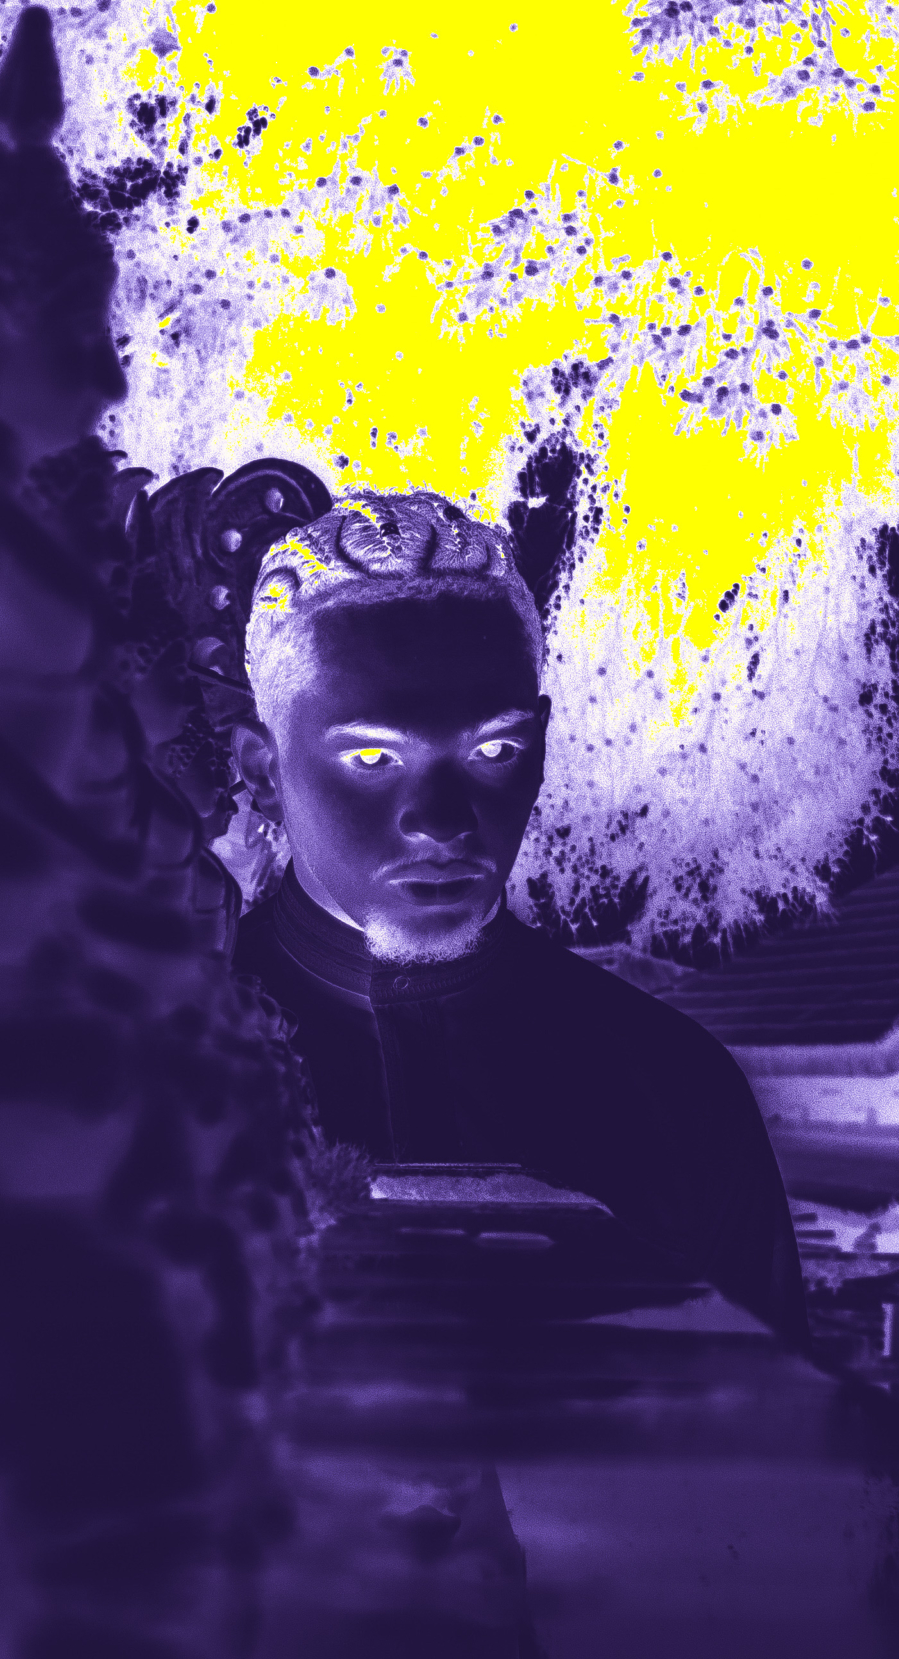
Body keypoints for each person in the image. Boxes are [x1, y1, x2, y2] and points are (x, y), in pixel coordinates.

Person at [230, 489, 809, 1346]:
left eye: (494, 751)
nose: (444, 821)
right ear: (260, 768)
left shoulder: (676, 1086)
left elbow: (772, 1420)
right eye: (373, 757)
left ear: (539, 745)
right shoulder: (132, 1064)